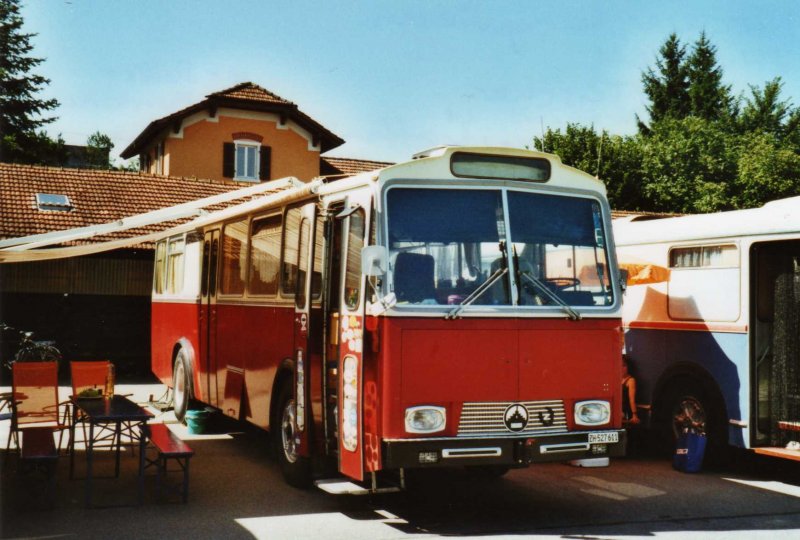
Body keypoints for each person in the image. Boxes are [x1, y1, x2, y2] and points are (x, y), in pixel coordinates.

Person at [622, 354, 640, 425]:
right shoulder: (617, 380)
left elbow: (632, 399)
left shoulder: (631, 380)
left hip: (626, 413)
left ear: (628, 367)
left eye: (624, 366)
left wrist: (634, 414)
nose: (621, 368)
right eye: (619, 366)